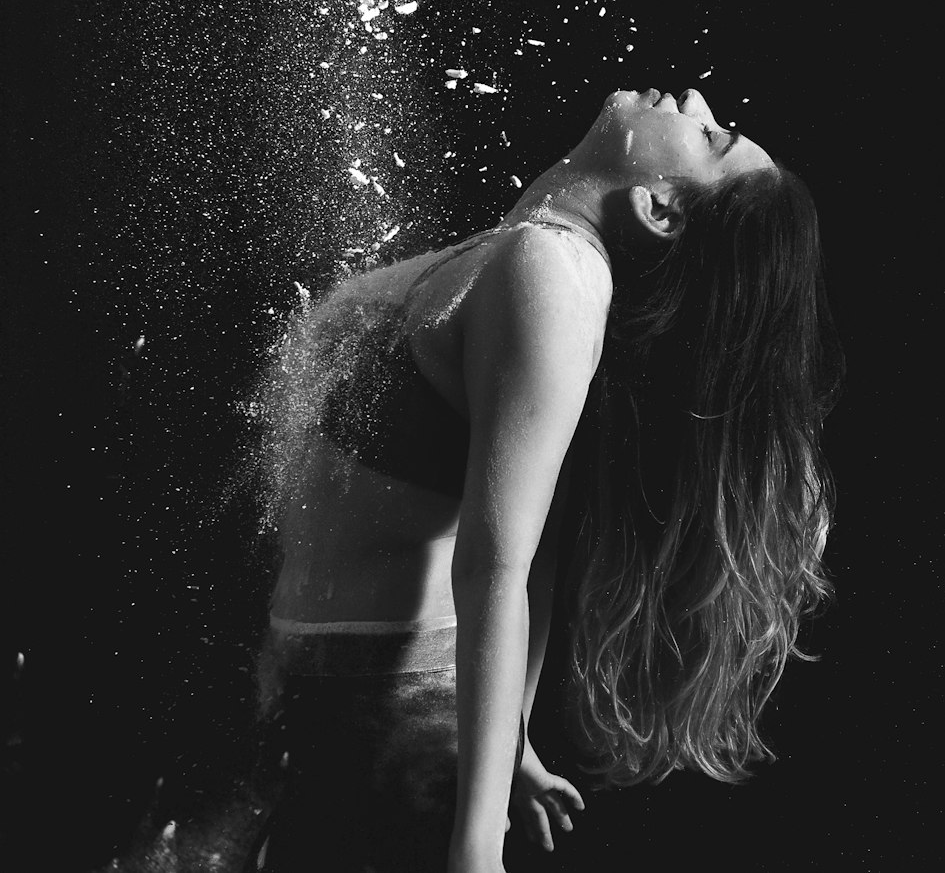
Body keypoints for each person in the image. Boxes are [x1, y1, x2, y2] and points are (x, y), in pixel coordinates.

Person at [244, 86, 843, 873]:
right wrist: (513, 746)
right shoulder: (537, 255)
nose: (693, 99)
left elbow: (500, 564)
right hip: (330, 691)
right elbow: (545, 553)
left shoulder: (551, 272)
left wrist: (478, 848)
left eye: (711, 135)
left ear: (659, 207)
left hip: (378, 707)